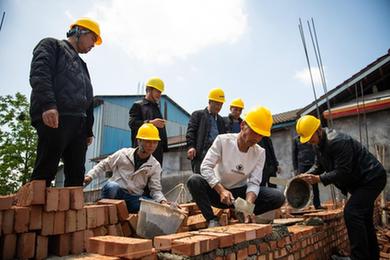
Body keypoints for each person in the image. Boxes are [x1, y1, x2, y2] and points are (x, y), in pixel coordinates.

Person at [297, 115, 386, 260]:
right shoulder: (318, 144)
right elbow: (319, 165)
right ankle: (371, 256)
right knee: (364, 220)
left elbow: (344, 171)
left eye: (309, 137)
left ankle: (358, 257)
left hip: (372, 178)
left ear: (318, 130)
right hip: (360, 182)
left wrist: (319, 179)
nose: (308, 141)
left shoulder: (338, 142)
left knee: (352, 212)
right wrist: (307, 175)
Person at [29, 17, 102, 187]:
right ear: (79, 32)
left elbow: (87, 98)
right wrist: (48, 105)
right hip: (56, 118)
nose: (93, 45)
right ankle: (34, 211)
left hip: (79, 126)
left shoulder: (82, 65)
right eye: (92, 38)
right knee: (45, 171)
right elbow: (40, 73)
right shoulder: (52, 45)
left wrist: (88, 130)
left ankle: (72, 212)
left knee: (76, 176)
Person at [187, 107, 285, 227]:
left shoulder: (260, 152)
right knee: (194, 181)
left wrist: (247, 206)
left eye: (261, 135)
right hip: (217, 192)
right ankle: (212, 219)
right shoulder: (223, 141)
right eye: (254, 132)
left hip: (239, 197)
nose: (256, 138)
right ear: (243, 125)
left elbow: (254, 182)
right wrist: (221, 190)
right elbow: (205, 167)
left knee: (278, 197)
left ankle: (243, 213)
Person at [84, 123, 167, 213]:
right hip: (116, 193)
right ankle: (108, 212)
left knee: (152, 206)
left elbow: (155, 189)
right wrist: (90, 176)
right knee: (112, 187)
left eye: (155, 142)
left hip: (133, 198)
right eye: (148, 141)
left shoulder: (155, 165)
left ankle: (125, 213)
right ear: (139, 141)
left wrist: (163, 201)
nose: (152, 145)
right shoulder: (123, 154)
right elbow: (103, 164)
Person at [129, 77, 168, 166]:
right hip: (142, 150)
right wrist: (151, 123)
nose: (159, 94)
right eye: (157, 91)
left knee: (155, 177)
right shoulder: (138, 105)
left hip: (157, 151)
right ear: (149, 90)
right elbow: (132, 124)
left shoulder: (156, 108)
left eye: (161, 92)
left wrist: (164, 147)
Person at [186, 88, 226, 174]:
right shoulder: (198, 115)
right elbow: (191, 132)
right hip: (201, 154)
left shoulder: (221, 121)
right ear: (210, 101)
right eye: (216, 103)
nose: (218, 107)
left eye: (221, 104)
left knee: (215, 180)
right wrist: (191, 147)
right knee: (199, 180)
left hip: (216, 155)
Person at [292, 135, 323, 209]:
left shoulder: (310, 137)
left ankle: (317, 205)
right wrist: (296, 169)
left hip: (312, 164)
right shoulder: (296, 139)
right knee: (302, 186)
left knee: (314, 185)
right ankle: (302, 206)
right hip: (302, 165)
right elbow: (294, 154)